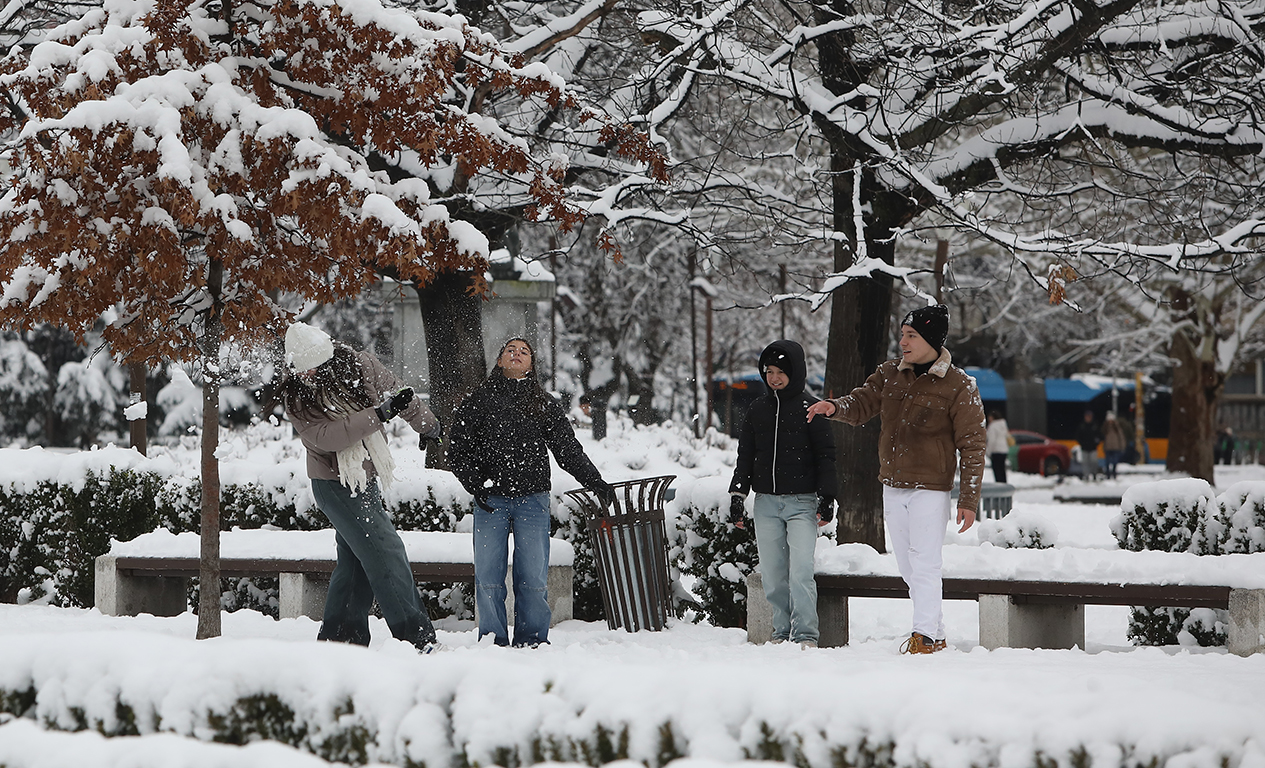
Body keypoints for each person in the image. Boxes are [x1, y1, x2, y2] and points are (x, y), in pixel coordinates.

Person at [806, 304, 985, 654]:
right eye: (902, 333)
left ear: (931, 340)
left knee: (925, 561)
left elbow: (973, 444)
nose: (902, 340)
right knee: (907, 565)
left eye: (911, 335)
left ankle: (924, 636)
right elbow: (861, 403)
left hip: (931, 489)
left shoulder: (959, 385)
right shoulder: (890, 374)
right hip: (893, 483)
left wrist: (968, 500)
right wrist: (834, 407)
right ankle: (937, 630)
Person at [277, 322, 444, 653]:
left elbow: (401, 394)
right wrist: (378, 415)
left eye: (314, 367)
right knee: (387, 552)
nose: (308, 374)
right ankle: (416, 637)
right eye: (302, 369)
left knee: (356, 564)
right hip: (334, 484)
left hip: (364, 480)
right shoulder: (296, 397)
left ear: (328, 359)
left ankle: (342, 639)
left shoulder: (360, 365)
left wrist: (428, 425)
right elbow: (326, 437)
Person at [449, 337, 616, 647]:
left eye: (524, 351)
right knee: (488, 578)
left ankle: (533, 640)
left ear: (531, 364)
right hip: (491, 500)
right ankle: (493, 641)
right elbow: (457, 449)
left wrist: (596, 482)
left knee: (534, 579)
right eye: (510, 350)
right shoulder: (479, 400)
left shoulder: (543, 402)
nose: (516, 354)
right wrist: (475, 483)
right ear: (499, 361)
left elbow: (567, 450)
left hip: (532, 499)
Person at [728, 340, 837, 649]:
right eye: (769, 372)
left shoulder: (811, 409)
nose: (774, 378)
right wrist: (738, 495)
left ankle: (805, 635)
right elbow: (745, 456)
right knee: (774, 576)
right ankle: (780, 632)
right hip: (766, 504)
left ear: (796, 372)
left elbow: (826, 457)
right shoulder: (757, 410)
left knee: (801, 572)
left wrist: (827, 498)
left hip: (802, 503)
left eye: (780, 372)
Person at [984, 410, 1010, 483]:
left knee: (997, 470)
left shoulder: (993, 426)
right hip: (1004, 450)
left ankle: (999, 484)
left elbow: (992, 440)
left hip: (996, 451)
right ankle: (1004, 484)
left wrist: (988, 452)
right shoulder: (1003, 425)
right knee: (1002, 469)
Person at [1075, 410, 1101, 480]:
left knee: (1094, 462)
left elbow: (1099, 436)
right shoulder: (1082, 426)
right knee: (1085, 463)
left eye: (1089, 416)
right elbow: (1078, 436)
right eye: (1087, 416)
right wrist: (1082, 443)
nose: (1088, 418)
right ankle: (1086, 475)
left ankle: (1094, 474)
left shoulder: (1095, 425)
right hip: (1084, 448)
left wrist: (1096, 443)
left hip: (1093, 448)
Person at [1101, 412, 1127, 480]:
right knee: (1107, 462)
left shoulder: (1117, 428)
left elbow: (1121, 437)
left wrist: (1122, 446)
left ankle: (1114, 473)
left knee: (1115, 462)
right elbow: (1102, 435)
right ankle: (1108, 474)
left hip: (1116, 447)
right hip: (1108, 447)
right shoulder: (1106, 428)